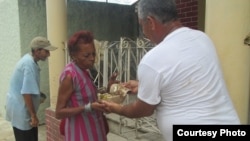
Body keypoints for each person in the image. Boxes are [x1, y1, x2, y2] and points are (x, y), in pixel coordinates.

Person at [102, 0, 240, 141]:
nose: (144, 32)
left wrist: (115, 108)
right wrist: (143, 85)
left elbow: (143, 109)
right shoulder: (203, 39)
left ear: (151, 22)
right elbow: (182, 81)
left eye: (142, 25)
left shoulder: (153, 60)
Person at [55, 30, 115, 141]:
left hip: (95, 131)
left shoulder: (85, 71)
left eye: (93, 54)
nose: (92, 58)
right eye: (86, 55)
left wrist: (109, 88)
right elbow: (59, 112)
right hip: (80, 134)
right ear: (74, 55)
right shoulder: (70, 76)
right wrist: (88, 107)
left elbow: (91, 98)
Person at [5, 36, 57, 141]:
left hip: (19, 107)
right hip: (21, 110)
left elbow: (25, 86)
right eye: (46, 51)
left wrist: (37, 97)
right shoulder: (29, 65)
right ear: (37, 51)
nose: (49, 54)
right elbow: (26, 92)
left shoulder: (29, 60)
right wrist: (33, 115)